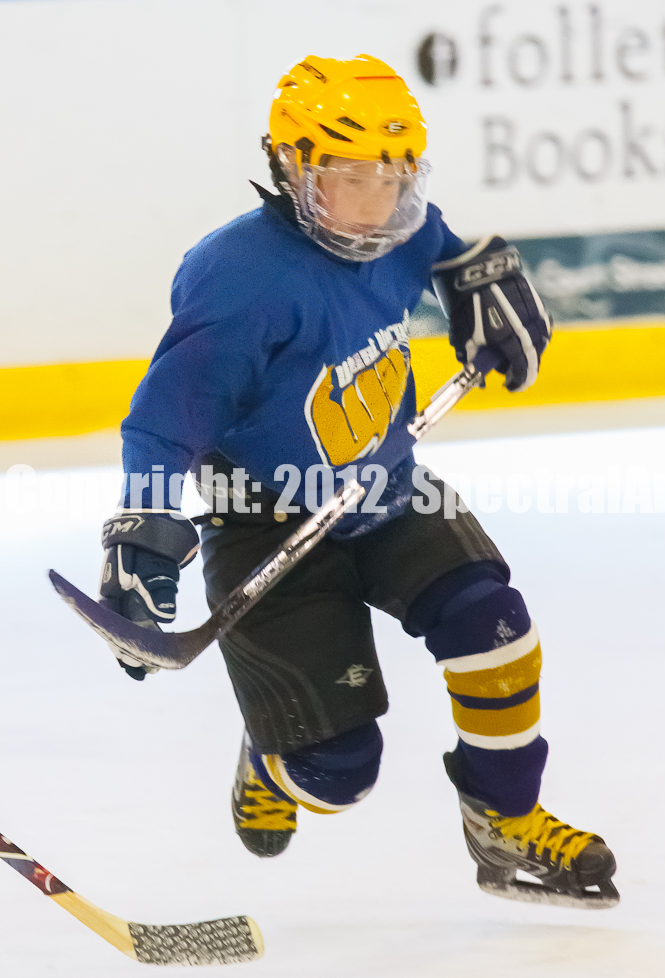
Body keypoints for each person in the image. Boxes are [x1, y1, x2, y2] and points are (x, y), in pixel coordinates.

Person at [98, 55, 618, 907]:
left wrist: (479, 275)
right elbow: (165, 419)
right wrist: (143, 529)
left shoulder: (404, 227)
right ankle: (272, 755)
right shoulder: (242, 280)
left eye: (393, 177)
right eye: (349, 178)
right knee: (339, 777)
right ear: (291, 166)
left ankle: (506, 818)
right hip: (264, 520)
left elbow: (446, 249)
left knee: (494, 627)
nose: (377, 204)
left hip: (388, 485)